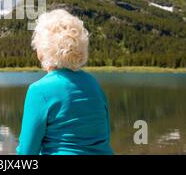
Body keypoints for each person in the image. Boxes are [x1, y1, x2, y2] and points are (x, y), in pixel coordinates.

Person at [16, 9, 113, 155]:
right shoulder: (93, 84)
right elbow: (104, 136)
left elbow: (26, 152)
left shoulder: (39, 90)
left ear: (42, 50)